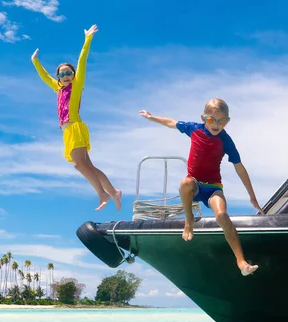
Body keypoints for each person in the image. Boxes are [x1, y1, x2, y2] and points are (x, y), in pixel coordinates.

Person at [138, 99, 262, 276]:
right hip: (194, 185)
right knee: (185, 183)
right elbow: (171, 123)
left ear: (227, 120)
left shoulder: (226, 141)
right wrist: (152, 118)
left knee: (222, 215)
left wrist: (252, 196)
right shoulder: (194, 128)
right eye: (212, 120)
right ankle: (189, 220)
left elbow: (240, 169)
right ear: (204, 118)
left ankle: (241, 261)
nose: (217, 125)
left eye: (222, 121)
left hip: (213, 188)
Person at [31, 24, 122, 212]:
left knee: (79, 164)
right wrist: (35, 62)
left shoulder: (77, 85)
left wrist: (87, 39)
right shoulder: (58, 89)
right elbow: (45, 77)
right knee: (87, 165)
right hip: (68, 131)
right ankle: (113, 191)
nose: (65, 75)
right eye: (62, 74)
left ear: (73, 75)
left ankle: (103, 193)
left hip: (75, 127)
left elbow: (82, 61)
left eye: (68, 73)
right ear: (58, 77)